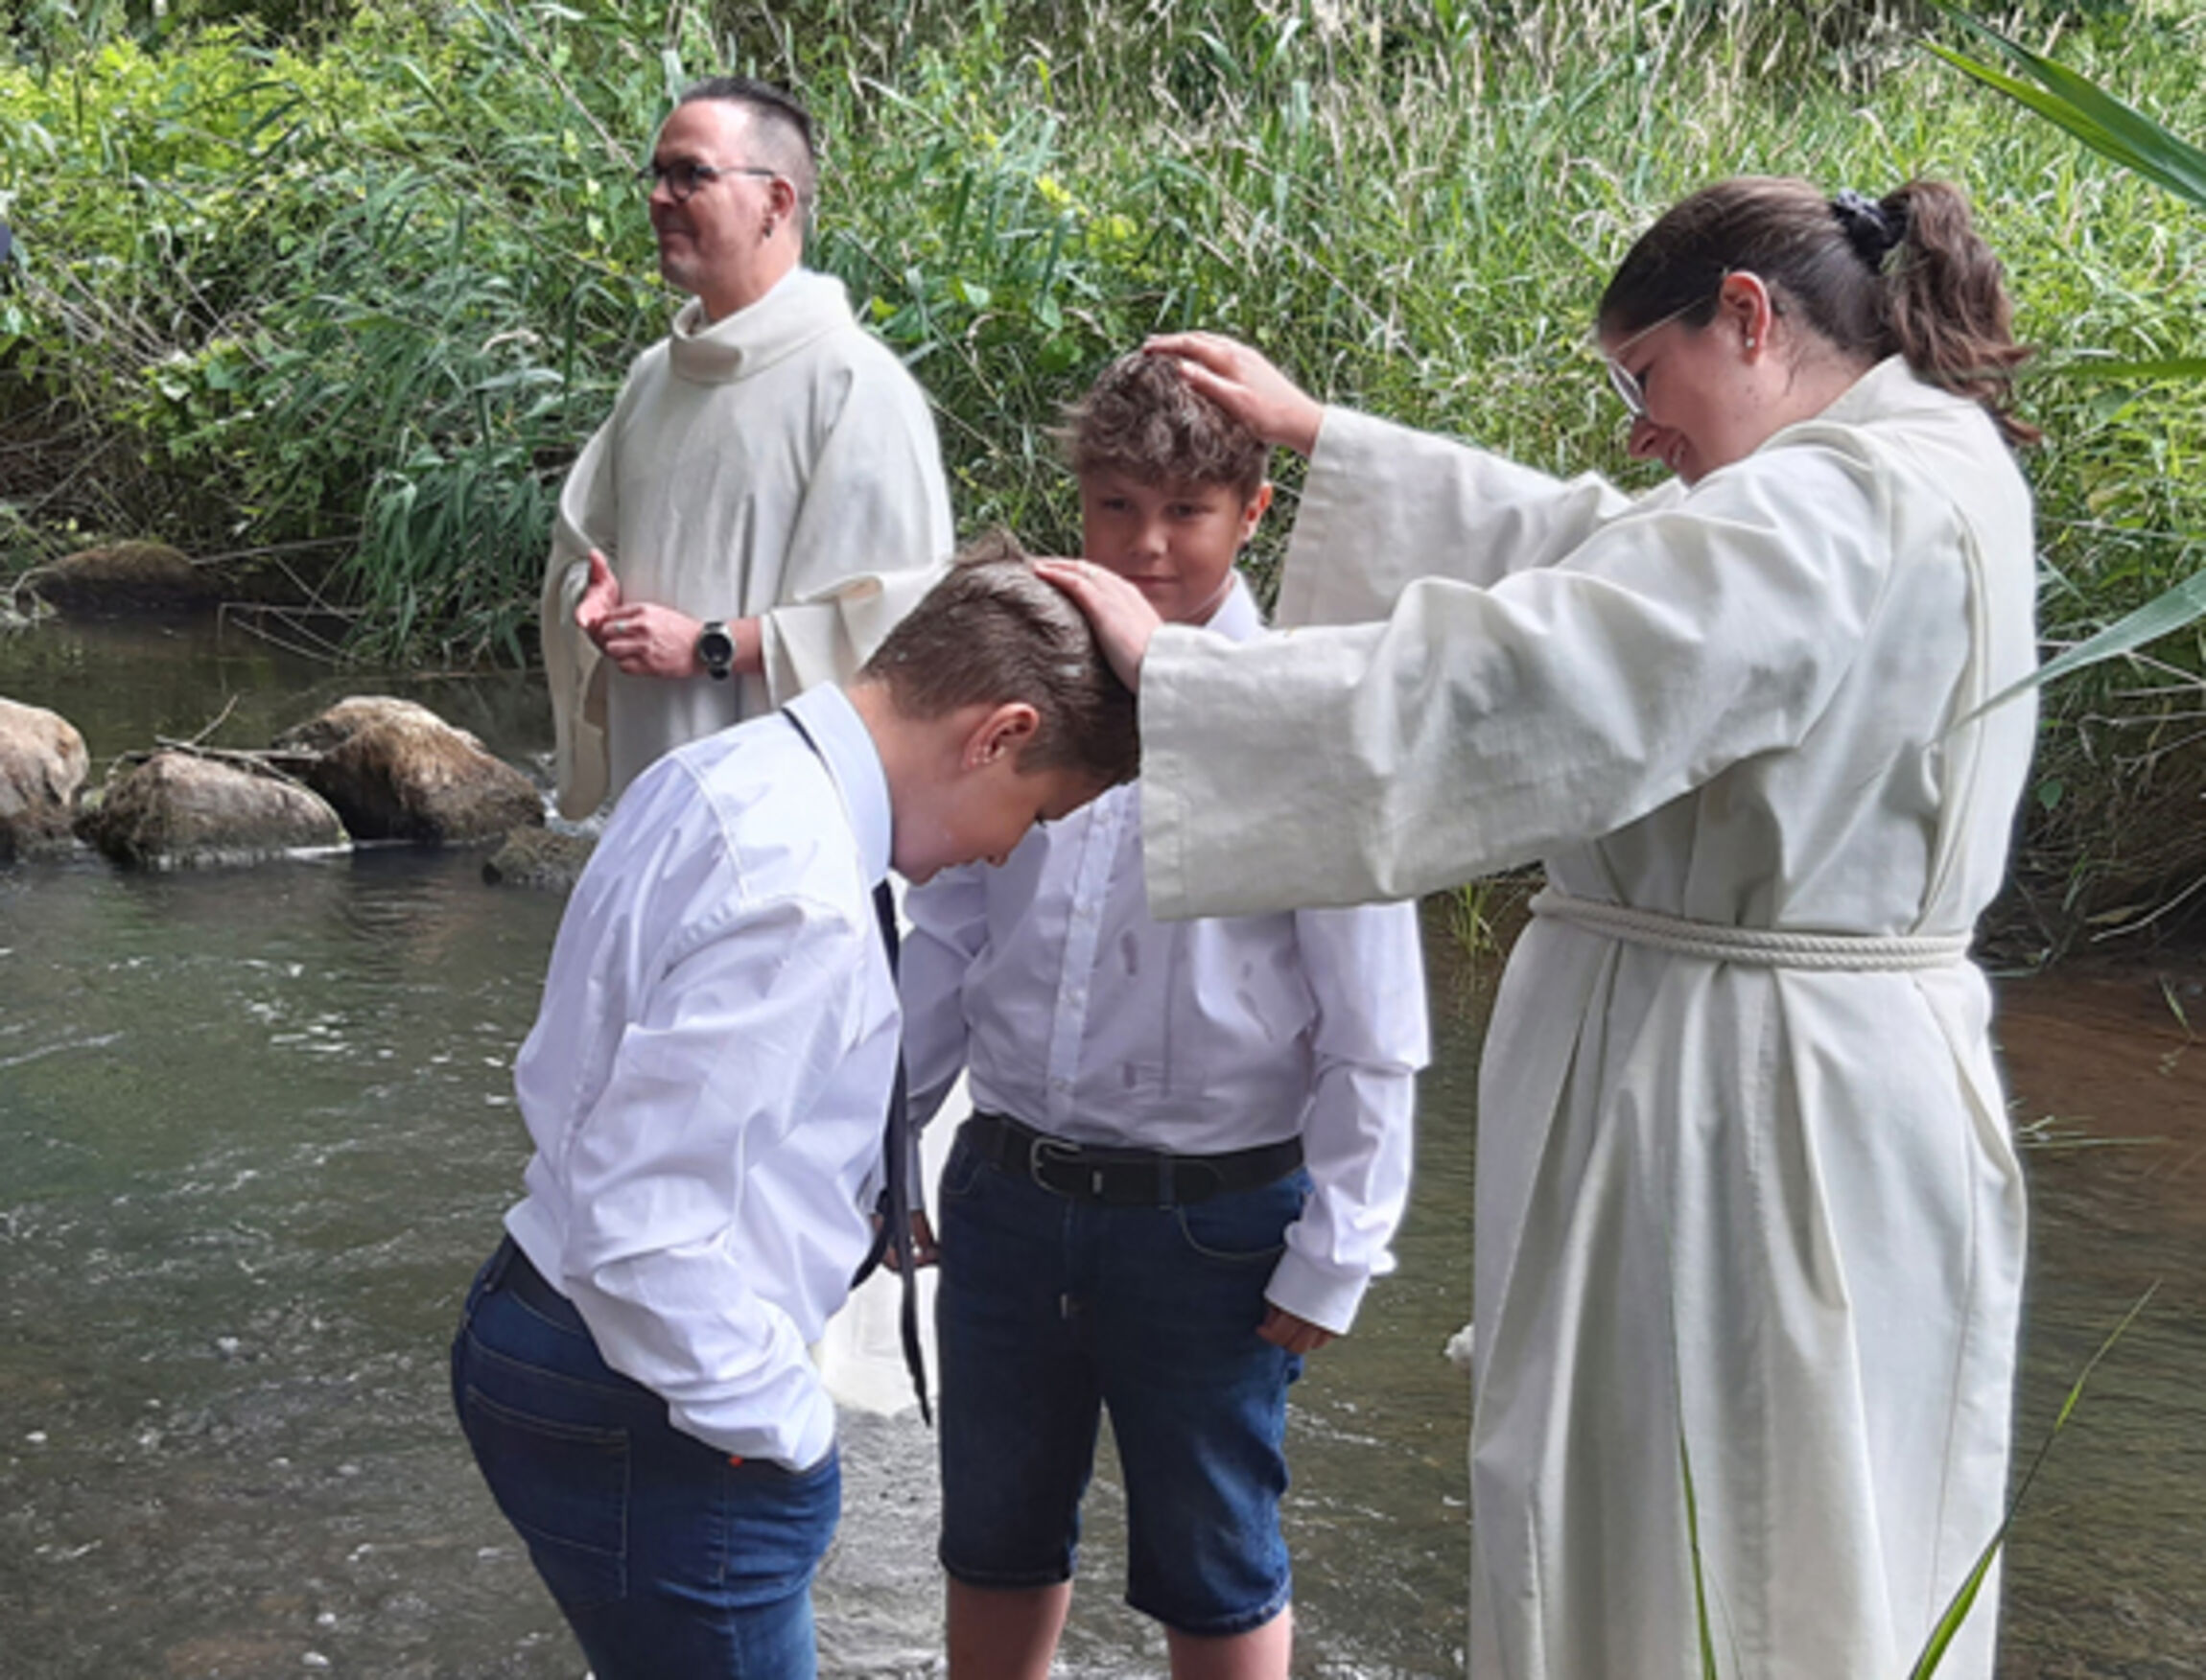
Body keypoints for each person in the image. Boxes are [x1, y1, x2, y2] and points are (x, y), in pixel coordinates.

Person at [1044, 177, 2038, 1680]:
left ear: (1750, 319)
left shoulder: (1841, 503)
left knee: (1713, 1517)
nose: (1640, 430)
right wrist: (1332, 441)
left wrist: (1185, 688)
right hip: (1811, 1066)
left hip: (1743, 1103)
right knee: (1792, 1512)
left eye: (1647, 378)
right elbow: (1604, 548)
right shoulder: (1902, 468)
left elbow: (1539, 670)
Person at [452, 540, 1139, 1680]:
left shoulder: (730, 772)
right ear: (999, 734)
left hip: (548, 1309)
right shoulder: (804, 898)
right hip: (648, 1391)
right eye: (1039, 809)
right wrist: (787, 1434)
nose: (1010, 846)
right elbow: (645, 1231)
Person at [902, 353, 1429, 1680]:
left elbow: (1374, 1012)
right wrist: (882, 1139)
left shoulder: (1304, 713)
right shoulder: (1029, 687)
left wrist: (1339, 1249)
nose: (1144, 545)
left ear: (1254, 514)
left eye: (1186, 511)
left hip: (1213, 1218)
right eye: (1115, 504)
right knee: (996, 1531)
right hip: (1012, 1187)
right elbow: (955, 933)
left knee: (1216, 1553)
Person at [543, 74, 954, 819]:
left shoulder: (855, 385)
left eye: (691, 174)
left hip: (789, 831)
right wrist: (594, 596)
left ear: (776, 202)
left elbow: (905, 625)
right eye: (657, 174)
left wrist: (711, 646)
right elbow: (582, 545)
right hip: (653, 797)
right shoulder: (651, 379)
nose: (661, 197)